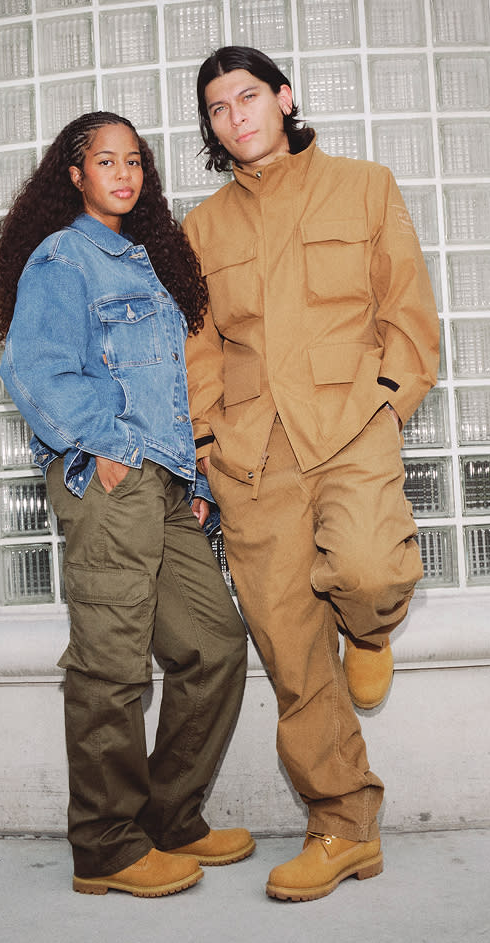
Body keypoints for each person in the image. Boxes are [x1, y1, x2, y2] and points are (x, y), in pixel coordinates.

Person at [184, 47, 440, 902]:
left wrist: (388, 408)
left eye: (248, 96)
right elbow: (200, 348)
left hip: (348, 427)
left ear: (284, 99)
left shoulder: (365, 185)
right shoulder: (202, 227)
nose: (236, 116)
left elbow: (406, 308)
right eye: (218, 108)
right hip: (253, 455)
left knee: (370, 570)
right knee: (294, 657)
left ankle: (370, 630)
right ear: (212, 127)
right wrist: (206, 442)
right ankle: (343, 826)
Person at [0, 111, 253, 898]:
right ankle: (104, 846)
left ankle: (169, 817)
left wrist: (196, 484)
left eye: (133, 161)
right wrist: (106, 444)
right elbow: (32, 369)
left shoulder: (147, 260)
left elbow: (172, 384)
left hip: (165, 484)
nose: (124, 174)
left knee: (214, 644)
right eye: (106, 161)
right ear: (74, 175)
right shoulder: (64, 256)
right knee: (112, 663)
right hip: (110, 482)